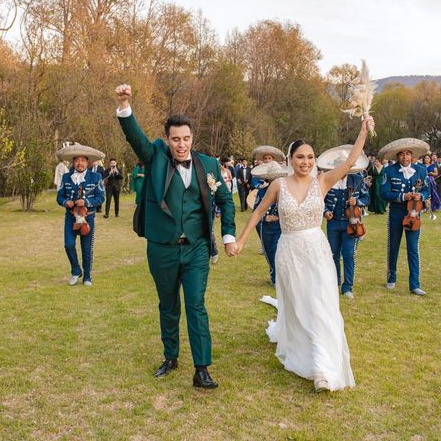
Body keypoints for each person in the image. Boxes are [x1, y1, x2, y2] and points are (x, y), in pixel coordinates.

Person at [235, 116, 374, 393]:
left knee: (319, 305)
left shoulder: (321, 181)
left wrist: (363, 132)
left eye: (310, 157)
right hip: (289, 253)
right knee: (299, 307)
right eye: (300, 157)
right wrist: (240, 241)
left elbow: (349, 162)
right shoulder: (279, 185)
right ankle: (304, 349)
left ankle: (322, 369)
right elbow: (259, 212)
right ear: (291, 158)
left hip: (317, 252)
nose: (306, 162)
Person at [114, 84, 237, 389]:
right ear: (166, 139)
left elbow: (225, 200)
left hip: (195, 249)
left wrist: (228, 235)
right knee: (168, 304)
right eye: (175, 139)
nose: (181, 145)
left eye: (186, 139)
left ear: (192, 138)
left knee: (196, 305)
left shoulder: (208, 165)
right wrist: (125, 106)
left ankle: (202, 369)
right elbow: (135, 137)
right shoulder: (154, 155)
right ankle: (170, 357)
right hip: (162, 249)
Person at [379, 138, 431, 296]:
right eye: (402, 154)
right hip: (396, 212)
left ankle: (415, 284)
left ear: (412, 155)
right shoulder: (388, 171)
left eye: (408, 154)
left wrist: (420, 196)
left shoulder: (421, 170)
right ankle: (391, 276)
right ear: (397, 156)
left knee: (413, 248)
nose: (405, 157)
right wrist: (402, 196)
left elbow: (427, 190)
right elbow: (384, 193)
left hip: (414, 213)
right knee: (393, 245)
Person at [318, 144, 370, 299]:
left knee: (348, 254)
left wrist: (357, 202)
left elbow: (367, 198)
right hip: (333, 224)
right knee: (332, 254)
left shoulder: (357, 179)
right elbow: (320, 200)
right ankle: (335, 282)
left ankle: (348, 286)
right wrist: (325, 211)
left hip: (351, 223)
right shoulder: (327, 180)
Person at [56, 143, 105, 287]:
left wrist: (86, 201)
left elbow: (101, 198)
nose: (80, 163)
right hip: (70, 217)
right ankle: (76, 270)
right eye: (77, 160)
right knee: (68, 245)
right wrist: (66, 202)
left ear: (87, 162)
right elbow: (59, 197)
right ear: (73, 162)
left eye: (83, 160)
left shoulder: (96, 177)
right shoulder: (66, 177)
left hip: (87, 218)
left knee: (87, 249)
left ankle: (87, 276)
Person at [251, 161, 289, 286]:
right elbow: (256, 210)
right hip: (266, 228)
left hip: (281, 227)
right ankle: (274, 275)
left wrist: (279, 217)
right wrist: (265, 217)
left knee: (279, 252)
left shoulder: (286, 192)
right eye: (272, 178)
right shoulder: (262, 192)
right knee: (269, 251)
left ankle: (279, 279)